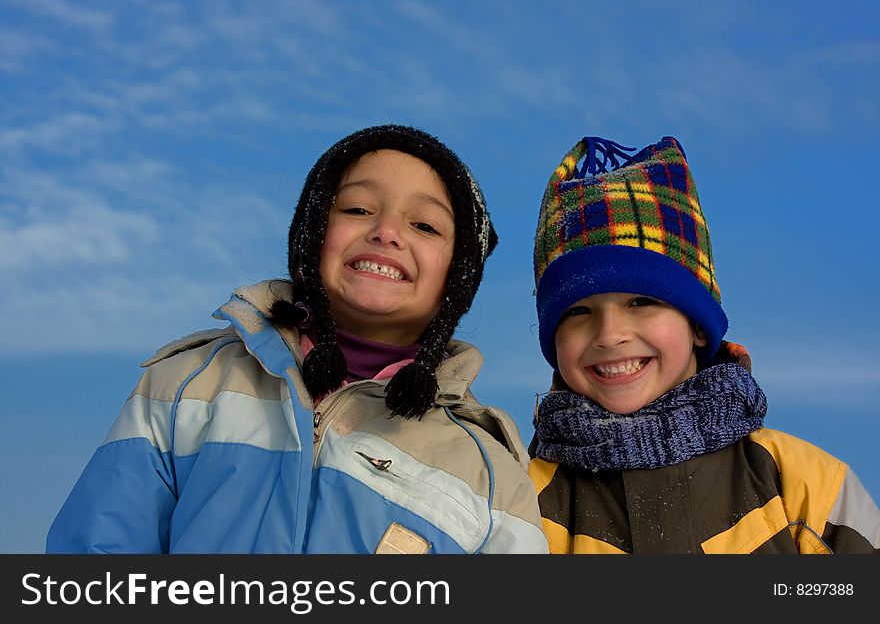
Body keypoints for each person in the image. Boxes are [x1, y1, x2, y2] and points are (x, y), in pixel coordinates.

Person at [47, 124, 548, 554]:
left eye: (424, 224)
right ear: (311, 235)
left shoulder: (490, 477)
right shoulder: (190, 384)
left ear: (457, 278)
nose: (387, 231)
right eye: (356, 208)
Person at [527, 134, 880, 554]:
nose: (609, 334)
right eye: (577, 312)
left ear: (697, 325)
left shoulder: (802, 485)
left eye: (642, 301)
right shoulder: (527, 501)